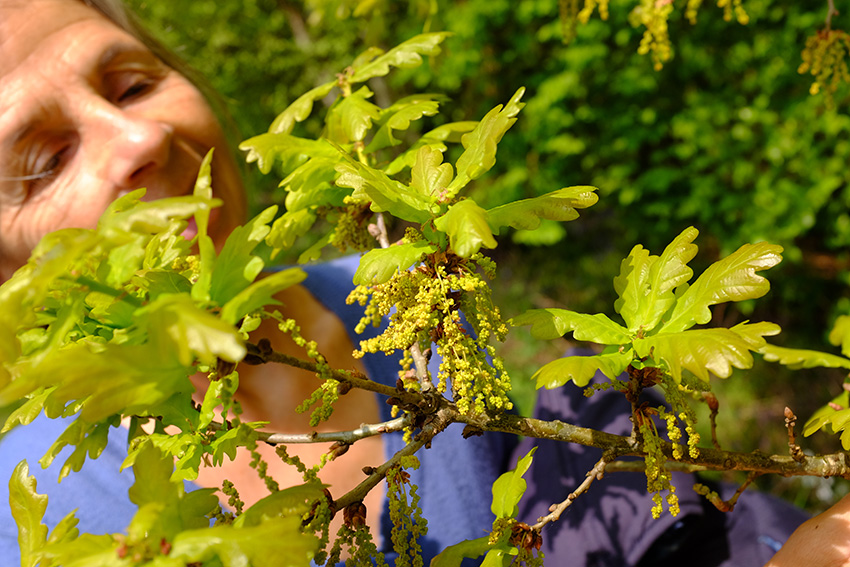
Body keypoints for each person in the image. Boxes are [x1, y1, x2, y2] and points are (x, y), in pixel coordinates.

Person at [0, 1, 837, 565]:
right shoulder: (31, 514)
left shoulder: (405, 298)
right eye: (43, 161)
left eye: (134, 84)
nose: (140, 138)